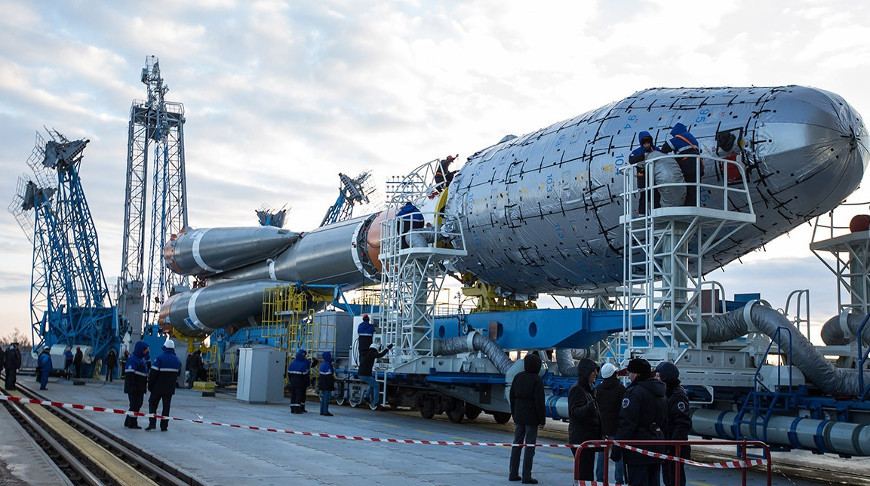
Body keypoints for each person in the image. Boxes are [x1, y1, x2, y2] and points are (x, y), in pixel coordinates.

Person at [612, 358, 668, 486]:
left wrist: (617, 447)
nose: (629, 376)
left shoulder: (634, 393)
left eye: (630, 373)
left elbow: (627, 423)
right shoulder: (661, 392)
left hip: (638, 449)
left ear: (637, 374)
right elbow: (665, 421)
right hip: (657, 446)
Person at [508, 353, 546, 484]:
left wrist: (514, 413)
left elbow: (512, 397)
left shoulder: (518, 377)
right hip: (531, 418)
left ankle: (513, 473)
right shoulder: (537, 380)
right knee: (529, 446)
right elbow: (539, 402)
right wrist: (542, 420)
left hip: (519, 415)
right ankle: (526, 476)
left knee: (517, 444)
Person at [655, 362, 692, 486]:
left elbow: (683, 423)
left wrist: (672, 445)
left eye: (658, 376)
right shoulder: (666, 394)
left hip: (674, 447)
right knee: (668, 478)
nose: (656, 378)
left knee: (674, 479)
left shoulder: (677, 396)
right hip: (667, 445)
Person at [568, 358, 602, 481]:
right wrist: (589, 407)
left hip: (588, 440)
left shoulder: (588, 389)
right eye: (593, 371)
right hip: (582, 440)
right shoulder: (577, 389)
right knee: (584, 476)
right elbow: (574, 412)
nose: (596, 374)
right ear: (586, 372)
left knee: (586, 475)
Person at [595, 362, 626, 484]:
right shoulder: (621, 389)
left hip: (602, 428)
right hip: (616, 428)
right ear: (614, 374)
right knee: (618, 456)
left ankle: (599, 480)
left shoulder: (598, 389)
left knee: (601, 456)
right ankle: (619, 481)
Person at [660, 123, 703, 206]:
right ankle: (694, 205)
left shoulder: (678, 138)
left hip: (688, 167)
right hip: (698, 166)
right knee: (695, 189)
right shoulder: (692, 138)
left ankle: (688, 207)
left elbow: (665, 148)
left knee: (687, 188)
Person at [146, 339, 182, 431]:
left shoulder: (160, 358)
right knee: (166, 408)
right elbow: (178, 374)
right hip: (169, 389)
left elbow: (153, 374)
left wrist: (150, 386)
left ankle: (152, 424)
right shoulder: (177, 360)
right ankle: (164, 426)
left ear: (164, 347)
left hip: (157, 388)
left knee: (153, 405)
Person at [629, 132, 661, 214]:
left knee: (656, 195)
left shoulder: (656, 149)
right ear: (642, 143)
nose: (647, 145)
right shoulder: (638, 151)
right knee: (644, 196)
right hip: (643, 178)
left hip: (655, 177)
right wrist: (643, 156)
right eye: (645, 143)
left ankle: (656, 212)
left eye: (648, 143)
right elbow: (631, 160)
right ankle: (642, 213)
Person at [124, 341, 149, 429]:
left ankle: (128, 421)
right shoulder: (133, 359)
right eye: (145, 349)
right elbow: (130, 374)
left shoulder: (141, 359)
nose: (147, 351)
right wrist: (132, 386)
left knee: (135, 404)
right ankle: (132, 423)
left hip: (140, 387)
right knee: (135, 405)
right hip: (135, 387)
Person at [287, 349, 311, 414]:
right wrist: (307, 382)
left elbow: (289, 373)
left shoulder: (292, 363)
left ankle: (292, 408)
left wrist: (290, 381)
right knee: (298, 395)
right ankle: (297, 409)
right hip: (300, 382)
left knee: (293, 395)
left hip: (292, 382)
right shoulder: (303, 365)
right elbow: (305, 375)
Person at [318, 351, 335, 416]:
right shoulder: (328, 365)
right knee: (326, 398)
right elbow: (329, 376)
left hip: (322, 382)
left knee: (323, 398)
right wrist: (331, 385)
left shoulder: (323, 364)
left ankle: (322, 411)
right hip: (326, 384)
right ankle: (325, 411)